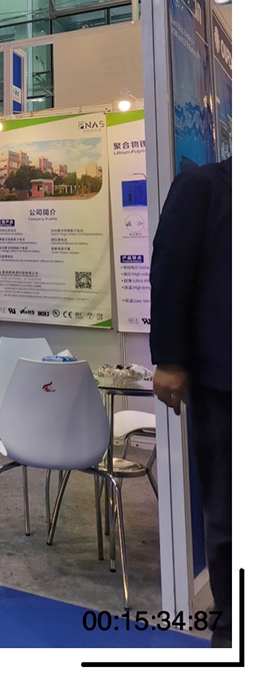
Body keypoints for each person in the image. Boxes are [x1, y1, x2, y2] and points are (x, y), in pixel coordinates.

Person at [148, 156, 232, 648]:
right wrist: (170, 360)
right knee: (229, 513)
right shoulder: (203, 186)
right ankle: (233, 627)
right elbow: (170, 272)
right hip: (225, 382)